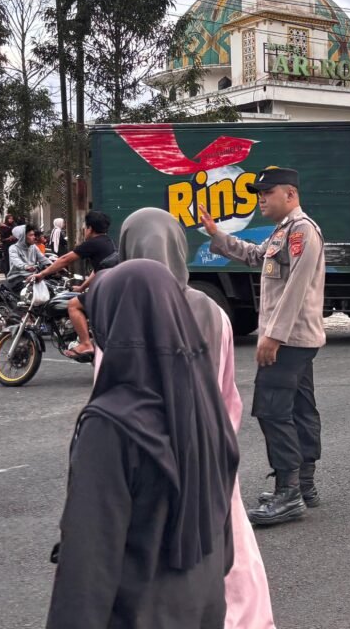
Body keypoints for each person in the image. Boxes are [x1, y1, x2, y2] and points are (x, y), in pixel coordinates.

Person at [45, 260, 239, 629]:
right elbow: (223, 531)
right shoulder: (203, 403)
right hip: (203, 603)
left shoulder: (111, 423)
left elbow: (89, 561)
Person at [118, 207, 276, 628]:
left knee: (154, 561)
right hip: (210, 452)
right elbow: (227, 395)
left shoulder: (119, 314)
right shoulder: (213, 312)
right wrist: (215, 445)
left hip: (146, 464)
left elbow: (109, 394)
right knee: (229, 548)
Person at [198, 166, 325, 527]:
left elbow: (297, 286)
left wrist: (273, 336)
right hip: (296, 338)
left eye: (267, 194)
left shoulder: (302, 231)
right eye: (259, 194)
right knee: (300, 407)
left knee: (272, 409)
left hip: (289, 338)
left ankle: (288, 493)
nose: (261, 200)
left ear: (290, 194)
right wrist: (218, 236)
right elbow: (257, 257)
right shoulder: (284, 231)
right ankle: (303, 484)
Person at [31, 211, 117, 359]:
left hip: (105, 291)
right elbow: (98, 270)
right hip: (112, 289)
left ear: (90, 228)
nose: (84, 230)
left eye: (85, 227)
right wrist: (82, 287)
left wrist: (41, 274)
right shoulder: (107, 241)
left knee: (73, 305)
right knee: (79, 298)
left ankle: (85, 344)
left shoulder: (92, 243)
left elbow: (65, 259)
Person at [6, 224, 52, 293]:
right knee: (32, 294)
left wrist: (54, 265)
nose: (34, 237)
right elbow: (16, 261)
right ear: (22, 237)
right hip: (17, 278)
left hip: (32, 276)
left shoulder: (33, 247)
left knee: (50, 288)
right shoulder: (13, 248)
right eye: (31, 235)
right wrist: (26, 266)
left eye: (34, 235)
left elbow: (43, 258)